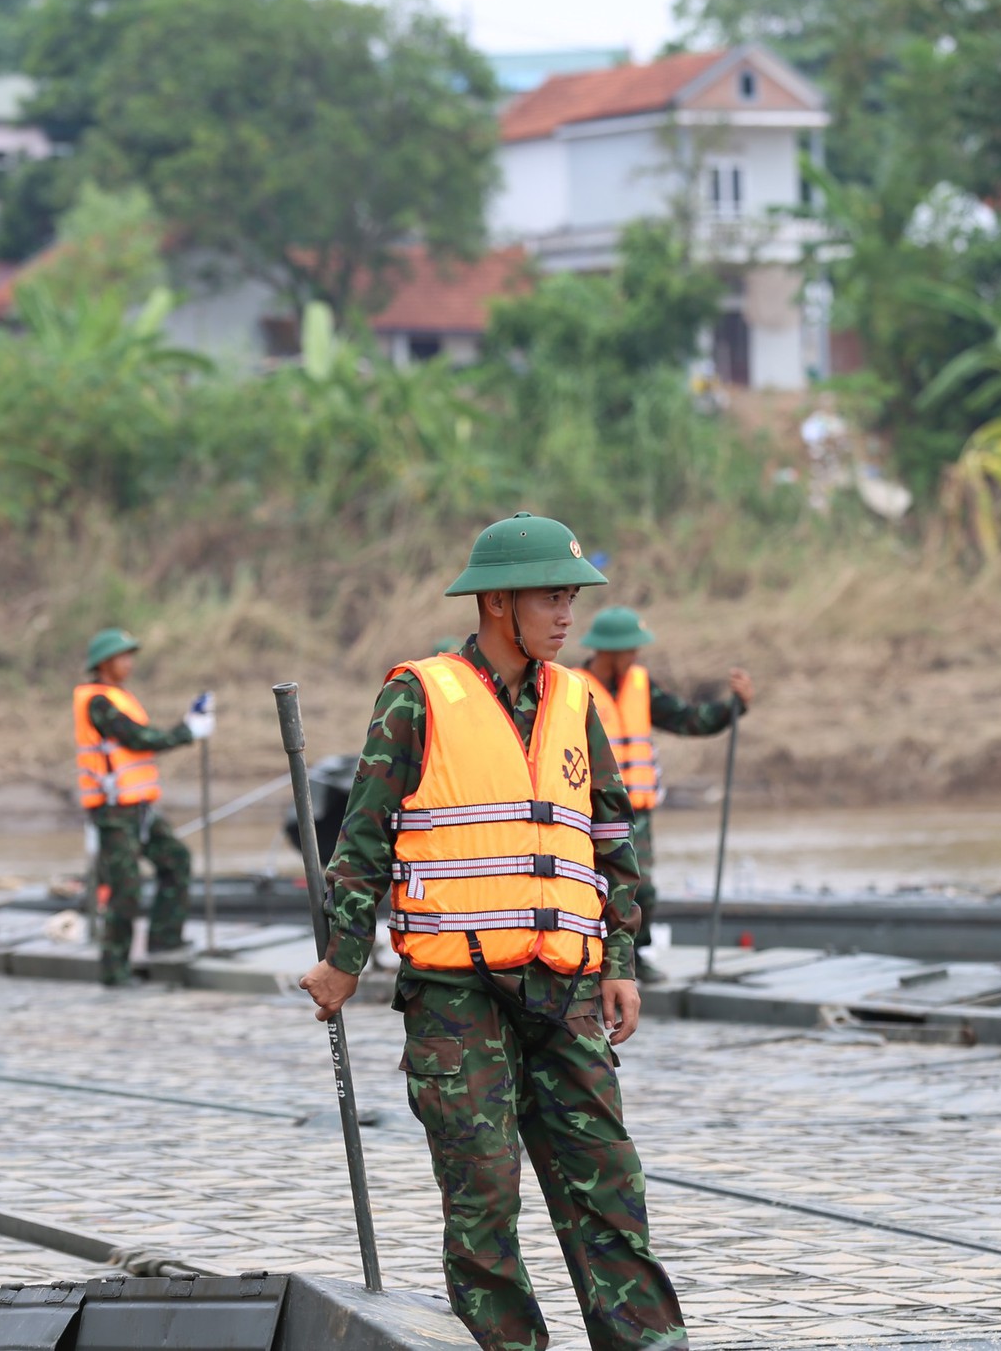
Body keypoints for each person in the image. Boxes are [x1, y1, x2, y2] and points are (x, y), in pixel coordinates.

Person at [299, 513, 687, 1351]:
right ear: (499, 603)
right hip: (455, 997)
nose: (565, 615)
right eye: (552, 597)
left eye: (570, 597)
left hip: (568, 987)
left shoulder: (577, 700)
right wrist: (342, 960)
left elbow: (610, 837)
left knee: (608, 1189)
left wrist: (620, 960)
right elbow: (363, 839)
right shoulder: (417, 694)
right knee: (484, 1199)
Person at [579, 606, 752, 982]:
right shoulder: (572, 689)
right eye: (630, 649)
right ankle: (588, 960)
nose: (637, 656)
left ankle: (635, 957)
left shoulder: (641, 684)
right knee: (589, 890)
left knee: (644, 889)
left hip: (634, 813)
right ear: (608, 651)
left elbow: (687, 719)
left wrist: (733, 709)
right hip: (586, 811)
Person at [74, 627, 213, 987]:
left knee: (176, 860)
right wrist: (188, 730)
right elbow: (138, 738)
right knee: (125, 889)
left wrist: (189, 726)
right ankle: (115, 971)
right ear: (104, 663)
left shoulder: (120, 696)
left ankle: (165, 939)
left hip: (141, 809)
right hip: (113, 812)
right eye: (123, 656)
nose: (129, 662)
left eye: (130, 655)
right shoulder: (97, 701)